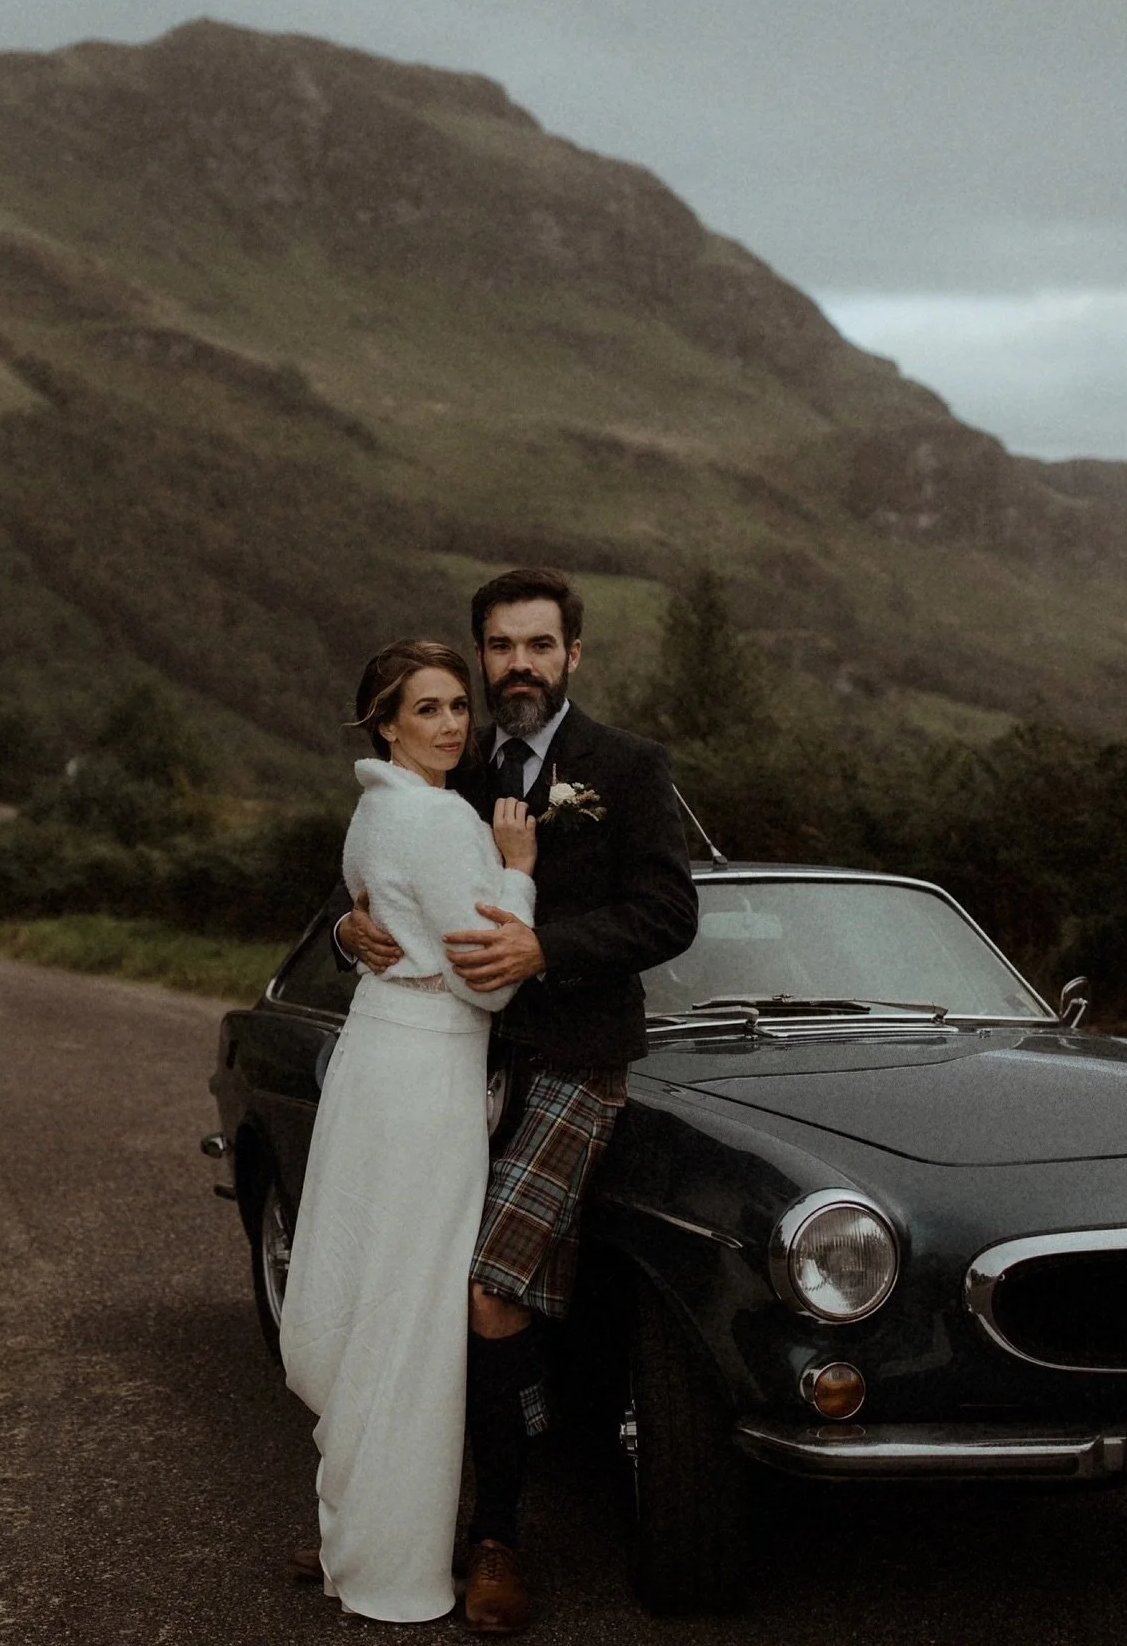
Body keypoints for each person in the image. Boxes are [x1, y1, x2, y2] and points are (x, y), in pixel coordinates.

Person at [334, 568, 699, 1632]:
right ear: (480, 655)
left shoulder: (627, 767)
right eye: (500, 647)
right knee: (422, 1287)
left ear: (573, 655)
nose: (519, 666)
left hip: (577, 1063)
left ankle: (495, 1540)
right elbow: (393, 856)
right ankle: (387, 1515)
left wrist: (548, 944)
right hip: (457, 1067)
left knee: (490, 1295)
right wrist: (352, 921)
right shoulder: (457, 756)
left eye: (540, 645)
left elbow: (669, 914)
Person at [278, 639, 538, 1624]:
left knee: (371, 1293)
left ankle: (356, 1533)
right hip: (428, 1072)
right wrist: (516, 874)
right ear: (385, 723)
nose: (452, 724)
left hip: (377, 1060)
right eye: (427, 710)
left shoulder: (375, 811)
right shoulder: (441, 818)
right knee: (412, 1315)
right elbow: (500, 974)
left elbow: (383, 918)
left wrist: (358, 933)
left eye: (457, 707)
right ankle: (389, 1558)